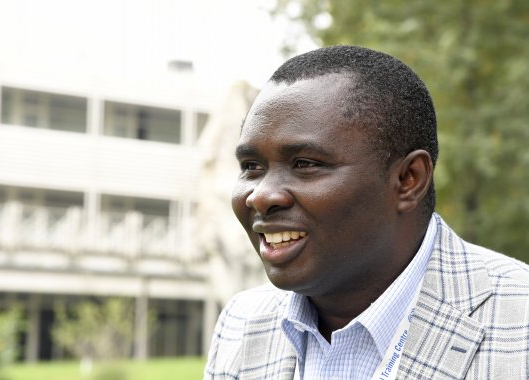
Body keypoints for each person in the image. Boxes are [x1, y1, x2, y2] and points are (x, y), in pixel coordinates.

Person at [203, 45, 529, 380]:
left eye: (306, 164)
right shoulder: (242, 323)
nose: (260, 196)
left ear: (408, 180)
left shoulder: (519, 321)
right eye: (252, 166)